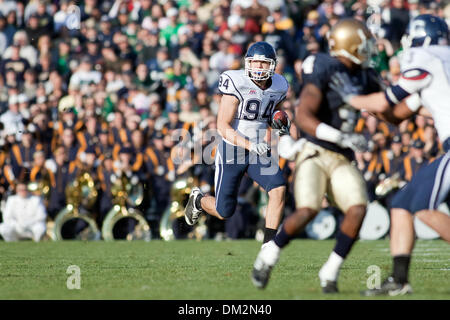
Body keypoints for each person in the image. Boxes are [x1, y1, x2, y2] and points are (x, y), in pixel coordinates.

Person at [251, 18, 383, 293]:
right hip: (315, 151)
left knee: (358, 209)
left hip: (342, 157)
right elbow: (304, 116)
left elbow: (387, 109)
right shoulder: (324, 66)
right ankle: (269, 255)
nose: (369, 48)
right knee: (308, 209)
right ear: (349, 44)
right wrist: (342, 136)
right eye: (363, 43)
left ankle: (330, 272)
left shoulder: (366, 75)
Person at [329, 14, 450, 295]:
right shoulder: (440, 66)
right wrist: (372, 105)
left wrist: (353, 97)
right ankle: (399, 280)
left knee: (425, 208)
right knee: (402, 204)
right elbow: (399, 113)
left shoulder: (427, 57)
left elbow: (388, 100)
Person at [184, 41, 290, 245]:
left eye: (263, 63)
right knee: (224, 211)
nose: (258, 67)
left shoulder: (279, 85)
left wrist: (280, 123)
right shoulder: (236, 81)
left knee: (278, 188)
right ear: (247, 63)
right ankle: (198, 200)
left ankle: (269, 246)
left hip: (258, 149)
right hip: (233, 149)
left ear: (272, 65)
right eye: (255, 63)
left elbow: (270, 114)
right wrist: (250, 145)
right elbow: (222, 126)